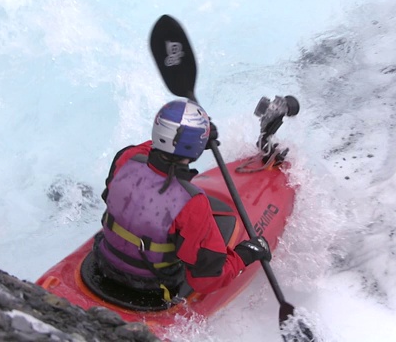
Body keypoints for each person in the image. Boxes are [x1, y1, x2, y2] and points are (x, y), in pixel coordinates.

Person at [92, 99, 271, 300]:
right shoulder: (192, 202)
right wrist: (246, 254)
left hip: (103, 264)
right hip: (150, 288)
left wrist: (192, 139)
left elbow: (149, 152)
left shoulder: (126, 158)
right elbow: (206, 280)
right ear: (194, 146)